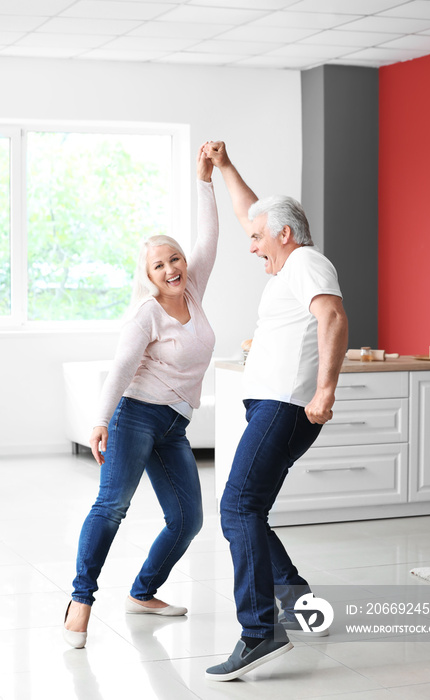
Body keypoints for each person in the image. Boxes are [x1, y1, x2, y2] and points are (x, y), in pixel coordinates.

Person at [202, 141, 348, 681]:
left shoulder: (306, 261)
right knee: (249, 510)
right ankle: (302, 607)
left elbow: (333, 317)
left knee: (236, 506)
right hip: (272, 404)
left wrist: (325, 391)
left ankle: (260, 631)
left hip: (287, 406)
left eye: (259, 238)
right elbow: (251, 213)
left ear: (284, 235)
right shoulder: (289, 263)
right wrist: (224, 168)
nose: (252, 246)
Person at [63, 145, 219, 649]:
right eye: (159, 265)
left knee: (188, 520)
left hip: (175, 424)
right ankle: (81, 600)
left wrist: (204, 178)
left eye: (175, 258)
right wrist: (99, 420)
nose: (171, 268)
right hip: (136, 417)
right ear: (147, 275)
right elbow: (121, 369)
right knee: (112, 506)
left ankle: (143, 591)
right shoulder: (145, 314)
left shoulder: (193, 289)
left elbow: (210, 236)